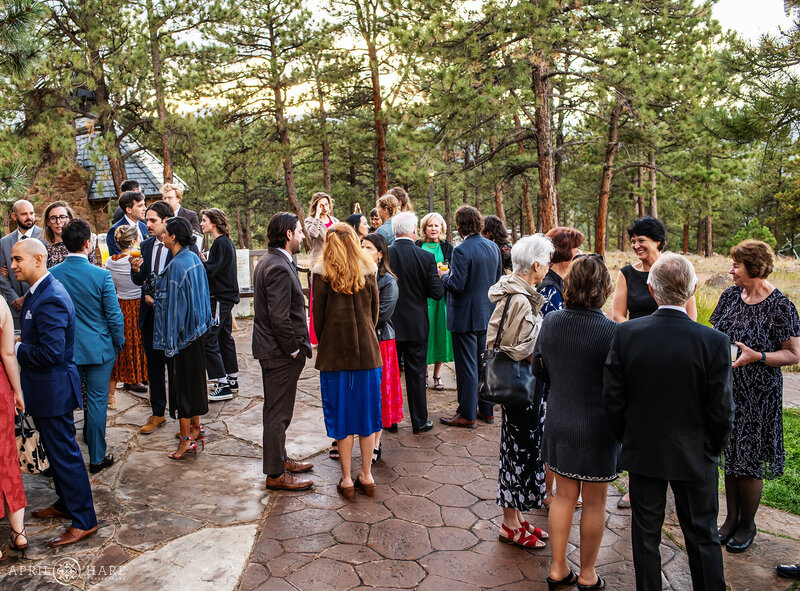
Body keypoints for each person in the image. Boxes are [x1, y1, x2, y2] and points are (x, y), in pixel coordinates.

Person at [603, 253, 734, 591]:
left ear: (651, 289)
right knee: (703, 533)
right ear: (691, 289)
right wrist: (710, 448)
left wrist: (629, 436)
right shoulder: (713, 341)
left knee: (646, 533)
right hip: (696, 451)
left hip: (645, 448)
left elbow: (613, 399)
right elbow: (721, 408)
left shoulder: (627, 334)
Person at [534, 255, 619, 590]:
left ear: (570, 284)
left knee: (563, 497)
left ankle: (557, 569)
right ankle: (587, 575)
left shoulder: (552, 321)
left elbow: (539, 369)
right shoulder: (614, 331)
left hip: (559, 417)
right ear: (604, 289)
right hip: (599, 426)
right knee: (596, 502)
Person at [710, 240, 800, 553]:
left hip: (760, 395)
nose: (731, 270)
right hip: (729, 390)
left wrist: (758, 356)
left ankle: (747, 523)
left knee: (749, 462)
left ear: (755, 268)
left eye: (737, 265)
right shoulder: (731, 295)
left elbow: (793, 354)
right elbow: (715, 332)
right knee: (733, 456)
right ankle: (730, 519)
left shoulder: (780, 305)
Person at [12, 238, 98, 547]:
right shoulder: (38, 292)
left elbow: (50, 353)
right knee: (57, 453)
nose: (12, 265)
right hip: (45, 390)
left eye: (17, 259)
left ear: (38, 259)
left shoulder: (51, 297)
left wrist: (17, 347)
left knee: (66, 456)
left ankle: (85, 520)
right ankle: (65, 503)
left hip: (54, 390)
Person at [610, 216, 696, 510]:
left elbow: (691, 317)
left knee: (672, 416)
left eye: (641, 240)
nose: (636, 246)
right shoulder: (626, 274)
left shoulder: (677, 269)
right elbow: (618, 315)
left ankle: (673, 475)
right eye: (633, 241)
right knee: (640, 421)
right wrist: (639, 336)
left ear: (658, 240)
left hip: (675, 356)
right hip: (639, 356)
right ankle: (638, 486)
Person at [487, 235, 552, 552]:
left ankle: (515, 517)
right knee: (516, 454)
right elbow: (520, 349)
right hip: (521, 389)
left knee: (517, 451)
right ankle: (509, 524)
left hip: (521, 390)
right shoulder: (521, 299)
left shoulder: (517, 293)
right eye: (547, 261)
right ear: (536, 265)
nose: (549, 267)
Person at [313, 223, 382, 499]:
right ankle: (366, 474)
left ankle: (346, 479)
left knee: (341, 416)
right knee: (366, 416)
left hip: (334, 354)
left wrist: (327, 340)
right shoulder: (370, 270)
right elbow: (375, 313)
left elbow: (317, 318)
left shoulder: (322, 274)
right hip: (367, 352)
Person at [50, 219, 125, 474]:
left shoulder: (52, 275)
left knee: (63, 406)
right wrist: (119, 342)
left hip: (64, 350)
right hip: (98, 349)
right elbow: (114, 315)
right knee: (96, 403)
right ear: (87, 243)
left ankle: (63, 459)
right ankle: (96, 457)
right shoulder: (101, 275)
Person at [253, 213, 314, 491]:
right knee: (278, 413)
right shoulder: (276, 265)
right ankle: (276, 474)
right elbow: (279, 317)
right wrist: (293, 350)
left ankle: (280, 458)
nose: (302, 236)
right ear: (288, 234)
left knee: (277, 411)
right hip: (279, 353)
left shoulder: (271, 259)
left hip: (273, 351)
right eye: (299, 231)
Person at [153, 217, 214, 460]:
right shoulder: (193, 258)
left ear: (173, 237)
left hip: (182, 338)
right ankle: (197, 430)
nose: (162, 236)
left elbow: (175, 310)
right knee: (195, 386)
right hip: (197, 332)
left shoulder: (179, 265)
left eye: (165, 233)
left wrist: (169, 344)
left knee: (182, 393)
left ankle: (185, 440)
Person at [439, 205, 502, 427]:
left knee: (467, 367)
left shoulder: (461, 250)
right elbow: (497, 281)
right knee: (483, 365)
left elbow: (456, 285)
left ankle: (467, 414)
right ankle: (486, 410)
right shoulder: (493, 248)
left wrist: (443, 276)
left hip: (464, 317)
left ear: (459, 225)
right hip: (486, 315)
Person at [538, 226, 585, 508]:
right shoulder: (551, 289)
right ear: (567, 256)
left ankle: (549, 490)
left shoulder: (556, 284)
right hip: (553, 377)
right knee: (550, 434)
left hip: (553, 374)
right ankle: (547, 493)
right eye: (577, 249)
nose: (581, 254)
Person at [389, 212, 444, 433]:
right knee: (416, 373)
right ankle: (419, 421)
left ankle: (389, 420)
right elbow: (437, 293)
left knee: (390, 373)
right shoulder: (425, 257)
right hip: (416, 323)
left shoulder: (385, 255)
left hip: (390, 323)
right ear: (414, 230)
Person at [130, 201, 179, 434]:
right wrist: (135, 270)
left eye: (152, 221)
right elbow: (140, 282)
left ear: (166, 222)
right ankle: (158, 413)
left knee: (176, 368)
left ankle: (184, 418)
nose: (147, 224)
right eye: (146, 219)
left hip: (172, 317)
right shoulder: (146, 245)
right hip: (150, 315)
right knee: (154, 367)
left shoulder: (178, 247)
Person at [361, 232, 401, 458]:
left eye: (367, 248)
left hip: (381, 341)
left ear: (380, 254)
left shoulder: (388, 281)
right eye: (361, 246)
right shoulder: (357, 275)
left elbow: (381, 316)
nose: (362, 251)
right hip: (362, 341)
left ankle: (376, 444)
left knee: (380, 394)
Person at [105, 225, 148, 410]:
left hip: (120, 307)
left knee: (120, 349)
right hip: (139, 306)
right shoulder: (137, 260)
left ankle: (110, 396)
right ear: (132, 241)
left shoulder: (110, 261)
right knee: (144, 349)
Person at [200, 208, 240, 402]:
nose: (201, 224)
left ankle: (222, 384)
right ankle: (232, 378)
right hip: (228, 296)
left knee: (209, 338)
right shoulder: (225, 242)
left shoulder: (219, 243)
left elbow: (211, 270)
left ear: (214, 223)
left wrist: (201, 262)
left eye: (204, 220)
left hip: (220, 298)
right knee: (225, 337)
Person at [0, 287, 27, 561]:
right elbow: (8, 354)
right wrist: (17, 391)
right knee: (7, 456)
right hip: (0, 389)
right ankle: (19, 532)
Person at [415, 212, 454, 390]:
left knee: (440, 336)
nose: (433, 229)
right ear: (424, 228)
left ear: (442, 228)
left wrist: (445, 274)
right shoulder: (418, 245)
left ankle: (437, 375)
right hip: (422, 299)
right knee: (424, 336)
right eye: (430, 225)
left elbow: (454, 271)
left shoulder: (448, 248)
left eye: (436, 226)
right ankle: (423, 373)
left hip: (442, 300)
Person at [0, 199, 46, 329]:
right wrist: (14, 299)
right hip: (15, 308)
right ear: (14, 216)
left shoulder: (45, 237)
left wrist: (26, 298)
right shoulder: (4, 242)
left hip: (39, 302)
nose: (29, 217)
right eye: (24, 214)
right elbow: (2, 275)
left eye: (31, 213)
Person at [305, 191, 339, 348]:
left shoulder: (335, 220)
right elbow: (313, 234)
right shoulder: (310, 220)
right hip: (318, 261)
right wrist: (318, 216)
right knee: (317, 299)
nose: (325, 207)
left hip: (334, 261)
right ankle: (316, 337)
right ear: (316, 206)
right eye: (321, 205)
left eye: (327, 204)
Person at [44, 201, 99, 267]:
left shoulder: (83, 244)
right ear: (48, 222)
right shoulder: (46, 252)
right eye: (53, 218)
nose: (58, 222)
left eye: (62, 217)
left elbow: (93, 269)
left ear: (70, 219)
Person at [106, 190, 148, 256]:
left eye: (144, 204)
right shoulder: (115, 230)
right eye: (140, 206)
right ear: (129, 209)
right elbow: (117, 257)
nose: (145, 208)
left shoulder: (144, 227)